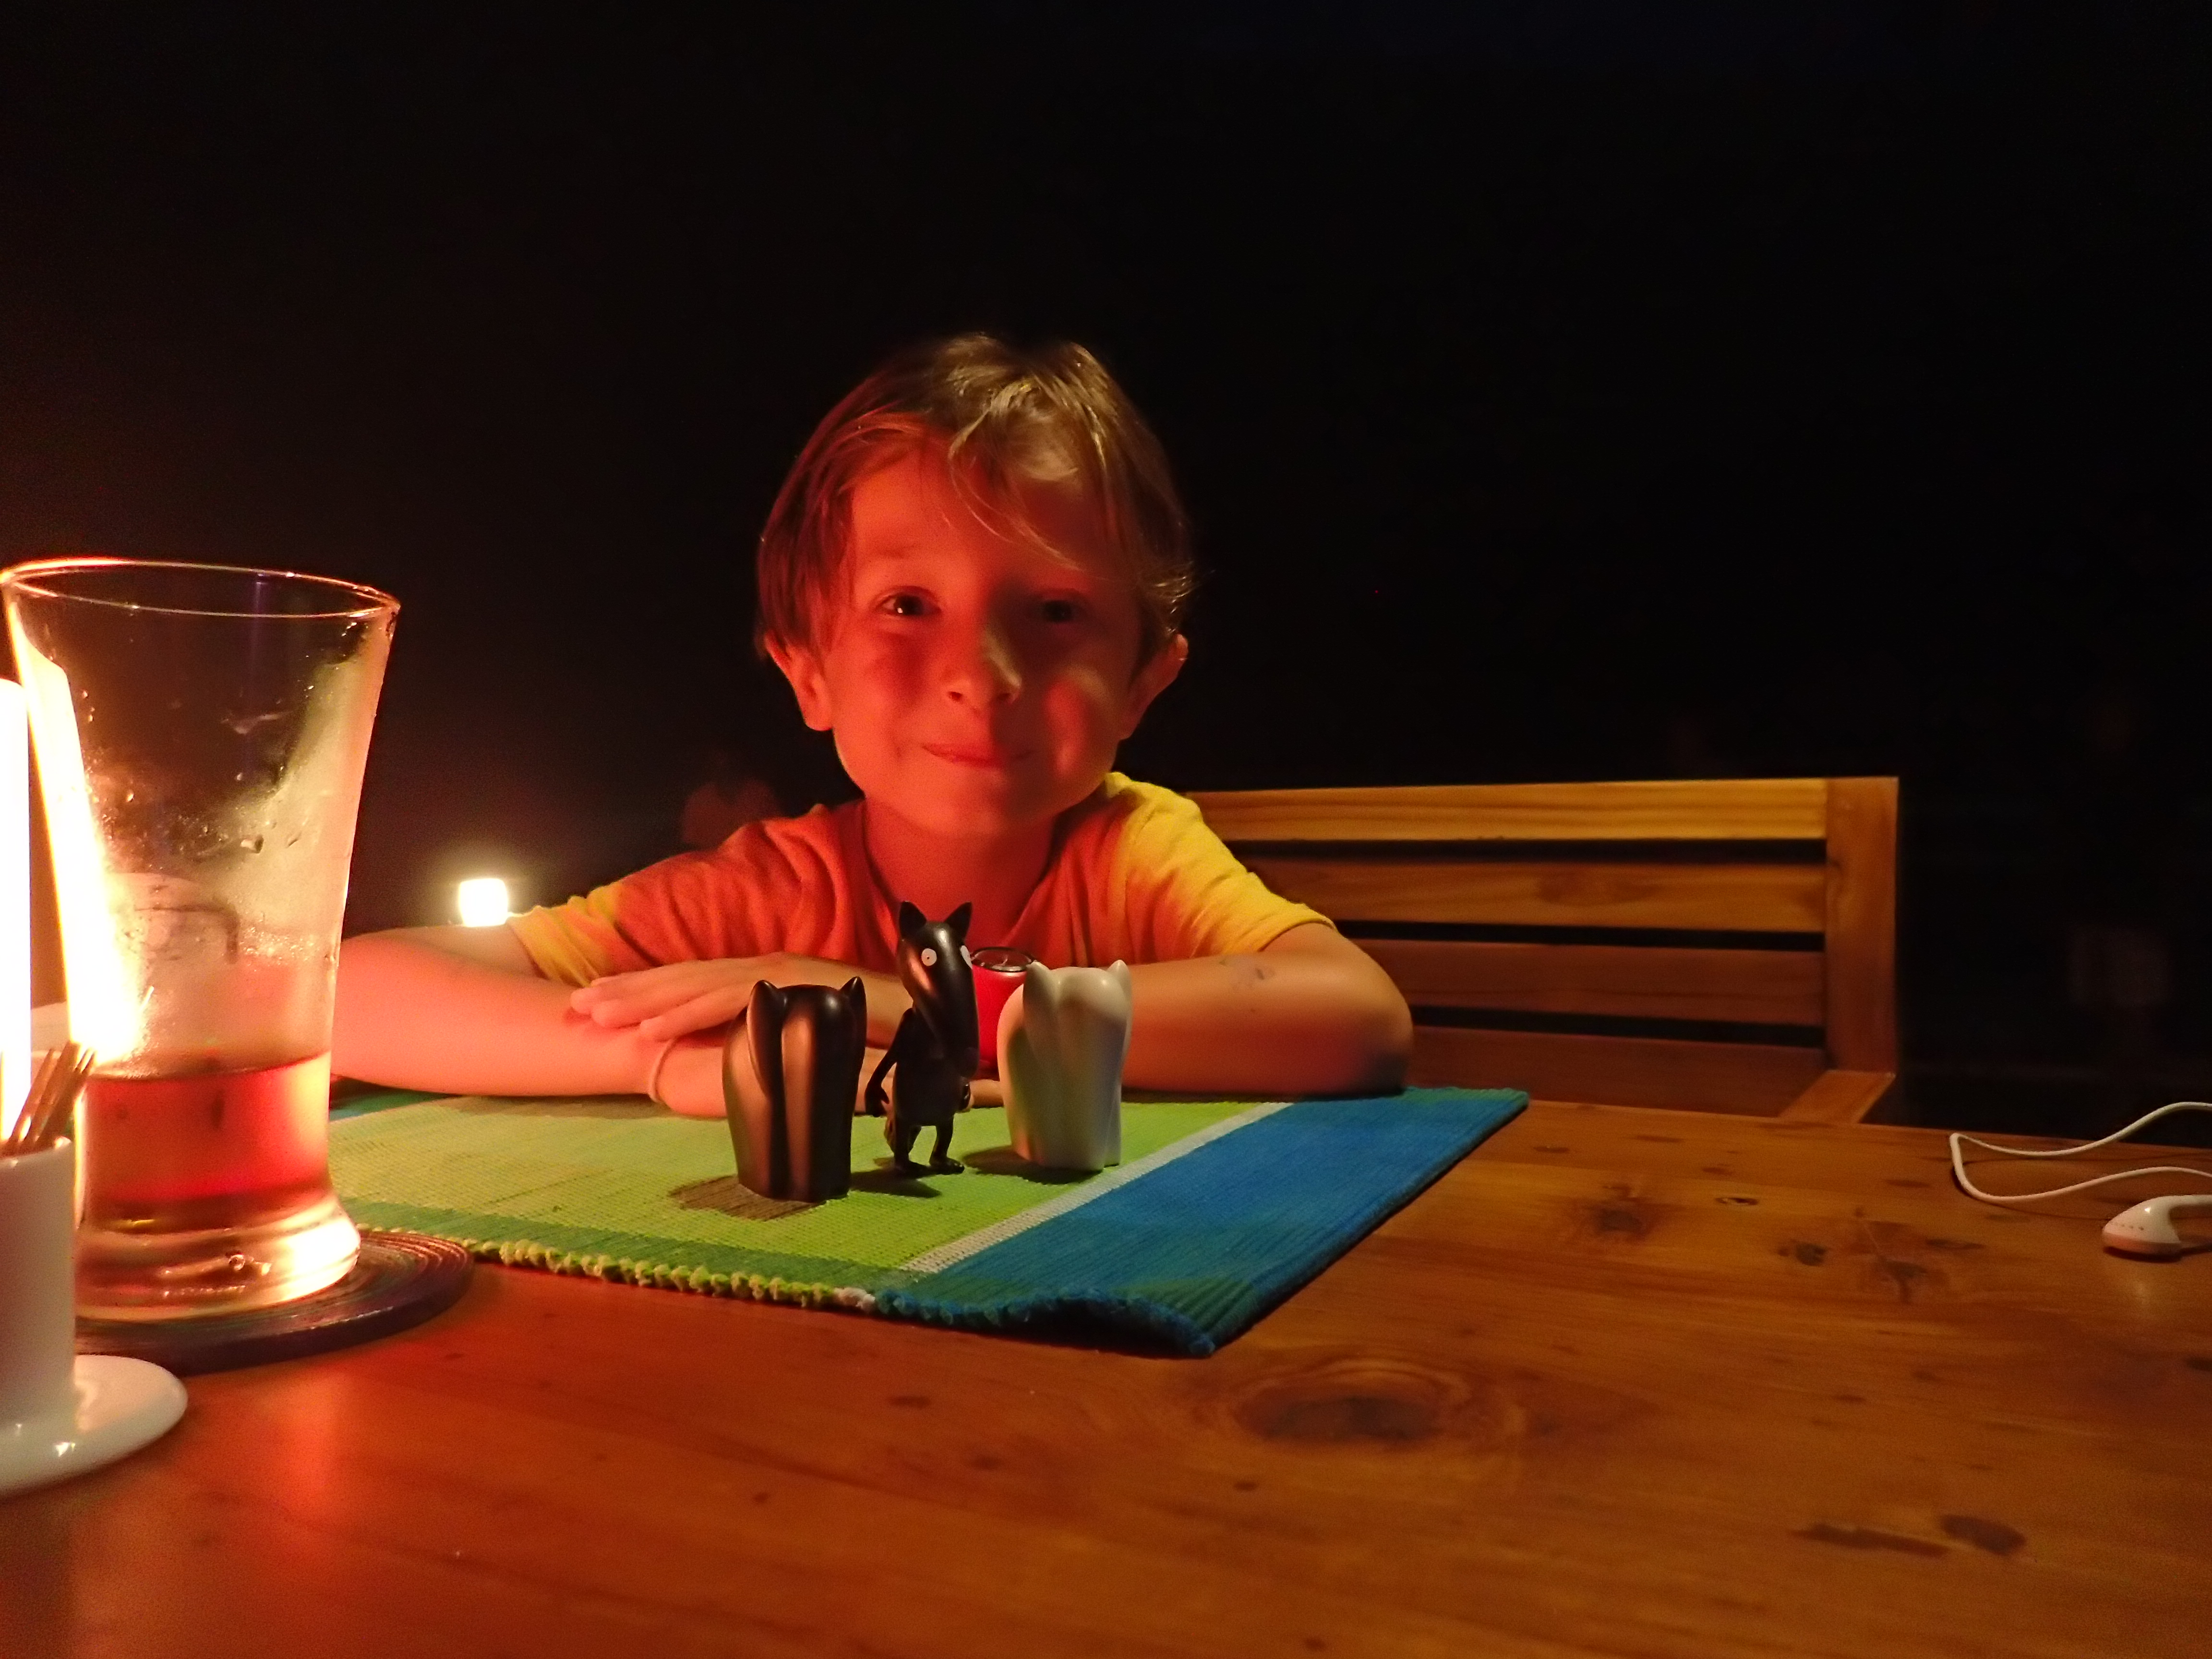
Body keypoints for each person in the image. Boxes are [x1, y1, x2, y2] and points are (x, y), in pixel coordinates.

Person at [335, 335, 1411, 1116]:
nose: (982, 676)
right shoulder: (768, 894)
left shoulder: (1132, 856)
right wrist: (672, 1062)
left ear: (1142, 684)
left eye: (1055, 612)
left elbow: (1356, 1018)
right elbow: (348, 997)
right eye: (907, 605)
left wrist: (931, 1011)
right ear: (809, 674)